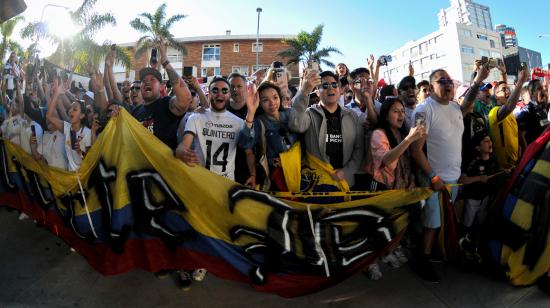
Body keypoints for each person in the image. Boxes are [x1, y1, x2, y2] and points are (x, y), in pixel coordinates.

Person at [411, 69, 469, 283]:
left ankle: (438, 254)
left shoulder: (455, 107)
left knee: (444, 220)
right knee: (432, 223)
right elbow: (416, 151)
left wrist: (480, 78)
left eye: (449, 81)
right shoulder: (423, 110)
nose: (447, 85)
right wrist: (434, 177)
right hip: (434, 180)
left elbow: (468, 104)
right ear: (431, 85)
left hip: (453, 179)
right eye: (441, 81)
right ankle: (422, 260)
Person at [364, 97, 425, 280]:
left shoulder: (401, 132)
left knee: (400, 223)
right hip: (381, 188)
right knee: (379, 227)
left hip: (402, 188)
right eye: (395, 111)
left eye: (402, 111)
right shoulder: (379, 134)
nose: (401, 115)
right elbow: (387, 160)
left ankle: (389, 251)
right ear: (386, 114)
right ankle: (370, 262)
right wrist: (408, 139)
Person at [289, 70, 364, 188]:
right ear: (317, 93)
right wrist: (303, 92)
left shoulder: (352, 116)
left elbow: (359, 149)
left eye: (334, 85)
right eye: (325, 86)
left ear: (339, 90)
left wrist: (346, 171)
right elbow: (296, 124)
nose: (331, 88)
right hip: (317, 184)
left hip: (346, 183)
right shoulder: (309, 114)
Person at [130, 39, 192, 150]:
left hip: (163, 166)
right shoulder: (135, 112)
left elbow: (185, 99)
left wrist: (165, 62)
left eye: (152, 79)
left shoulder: (166, 104)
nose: (147, 81)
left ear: (161, 86)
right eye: (144, 80)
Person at [242, 82, 300, 190]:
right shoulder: (260, 122)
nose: (272, 103)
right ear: (259, 103)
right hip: (278, 178)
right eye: (265, 100)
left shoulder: (290, 114)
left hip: (300, 173)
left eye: (275, 97)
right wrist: (251, 111)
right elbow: (245, 143)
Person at [46, 79, 94, 171]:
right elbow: (49, 116)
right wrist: (56, 94)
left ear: (82, 115)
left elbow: (89, 161)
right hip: (69, 177)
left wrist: (79, 152)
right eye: (70, 108)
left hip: (81, 180)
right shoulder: (67, 128)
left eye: (75, 109)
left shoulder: (88, 133)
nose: (70, 111)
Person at [488, 65, 529, 169]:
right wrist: (520, 82)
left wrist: (518, 146)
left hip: (515, 160)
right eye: (504, 90)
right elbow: (509, 106)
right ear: (496, 95)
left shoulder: (510, 112)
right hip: (503, 167)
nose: (507, 91)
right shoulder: (494, 112)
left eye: (508, 89)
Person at [516, 79, 550, 149]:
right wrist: (528, 154)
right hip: (535, 154)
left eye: (543, 88)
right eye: (539, 89)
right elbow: (521, 136)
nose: (543, 91)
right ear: (532, 93)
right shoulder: (527, 111)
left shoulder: (544, 108)